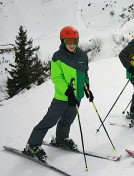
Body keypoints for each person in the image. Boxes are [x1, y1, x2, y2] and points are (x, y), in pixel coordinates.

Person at [24, 26, 94, 161]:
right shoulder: (57, 57)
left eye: (75, 41)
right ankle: (32, 145)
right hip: (62, 97)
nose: (72, 44)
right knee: (49, 121)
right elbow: (57, 78)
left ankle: (61, 138)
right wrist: (68, 91)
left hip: (77, 96)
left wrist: (87, 88)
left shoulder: (83, 56)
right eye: (69, 41)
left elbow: (84, 74)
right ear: (63, 41)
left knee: (68, 119)